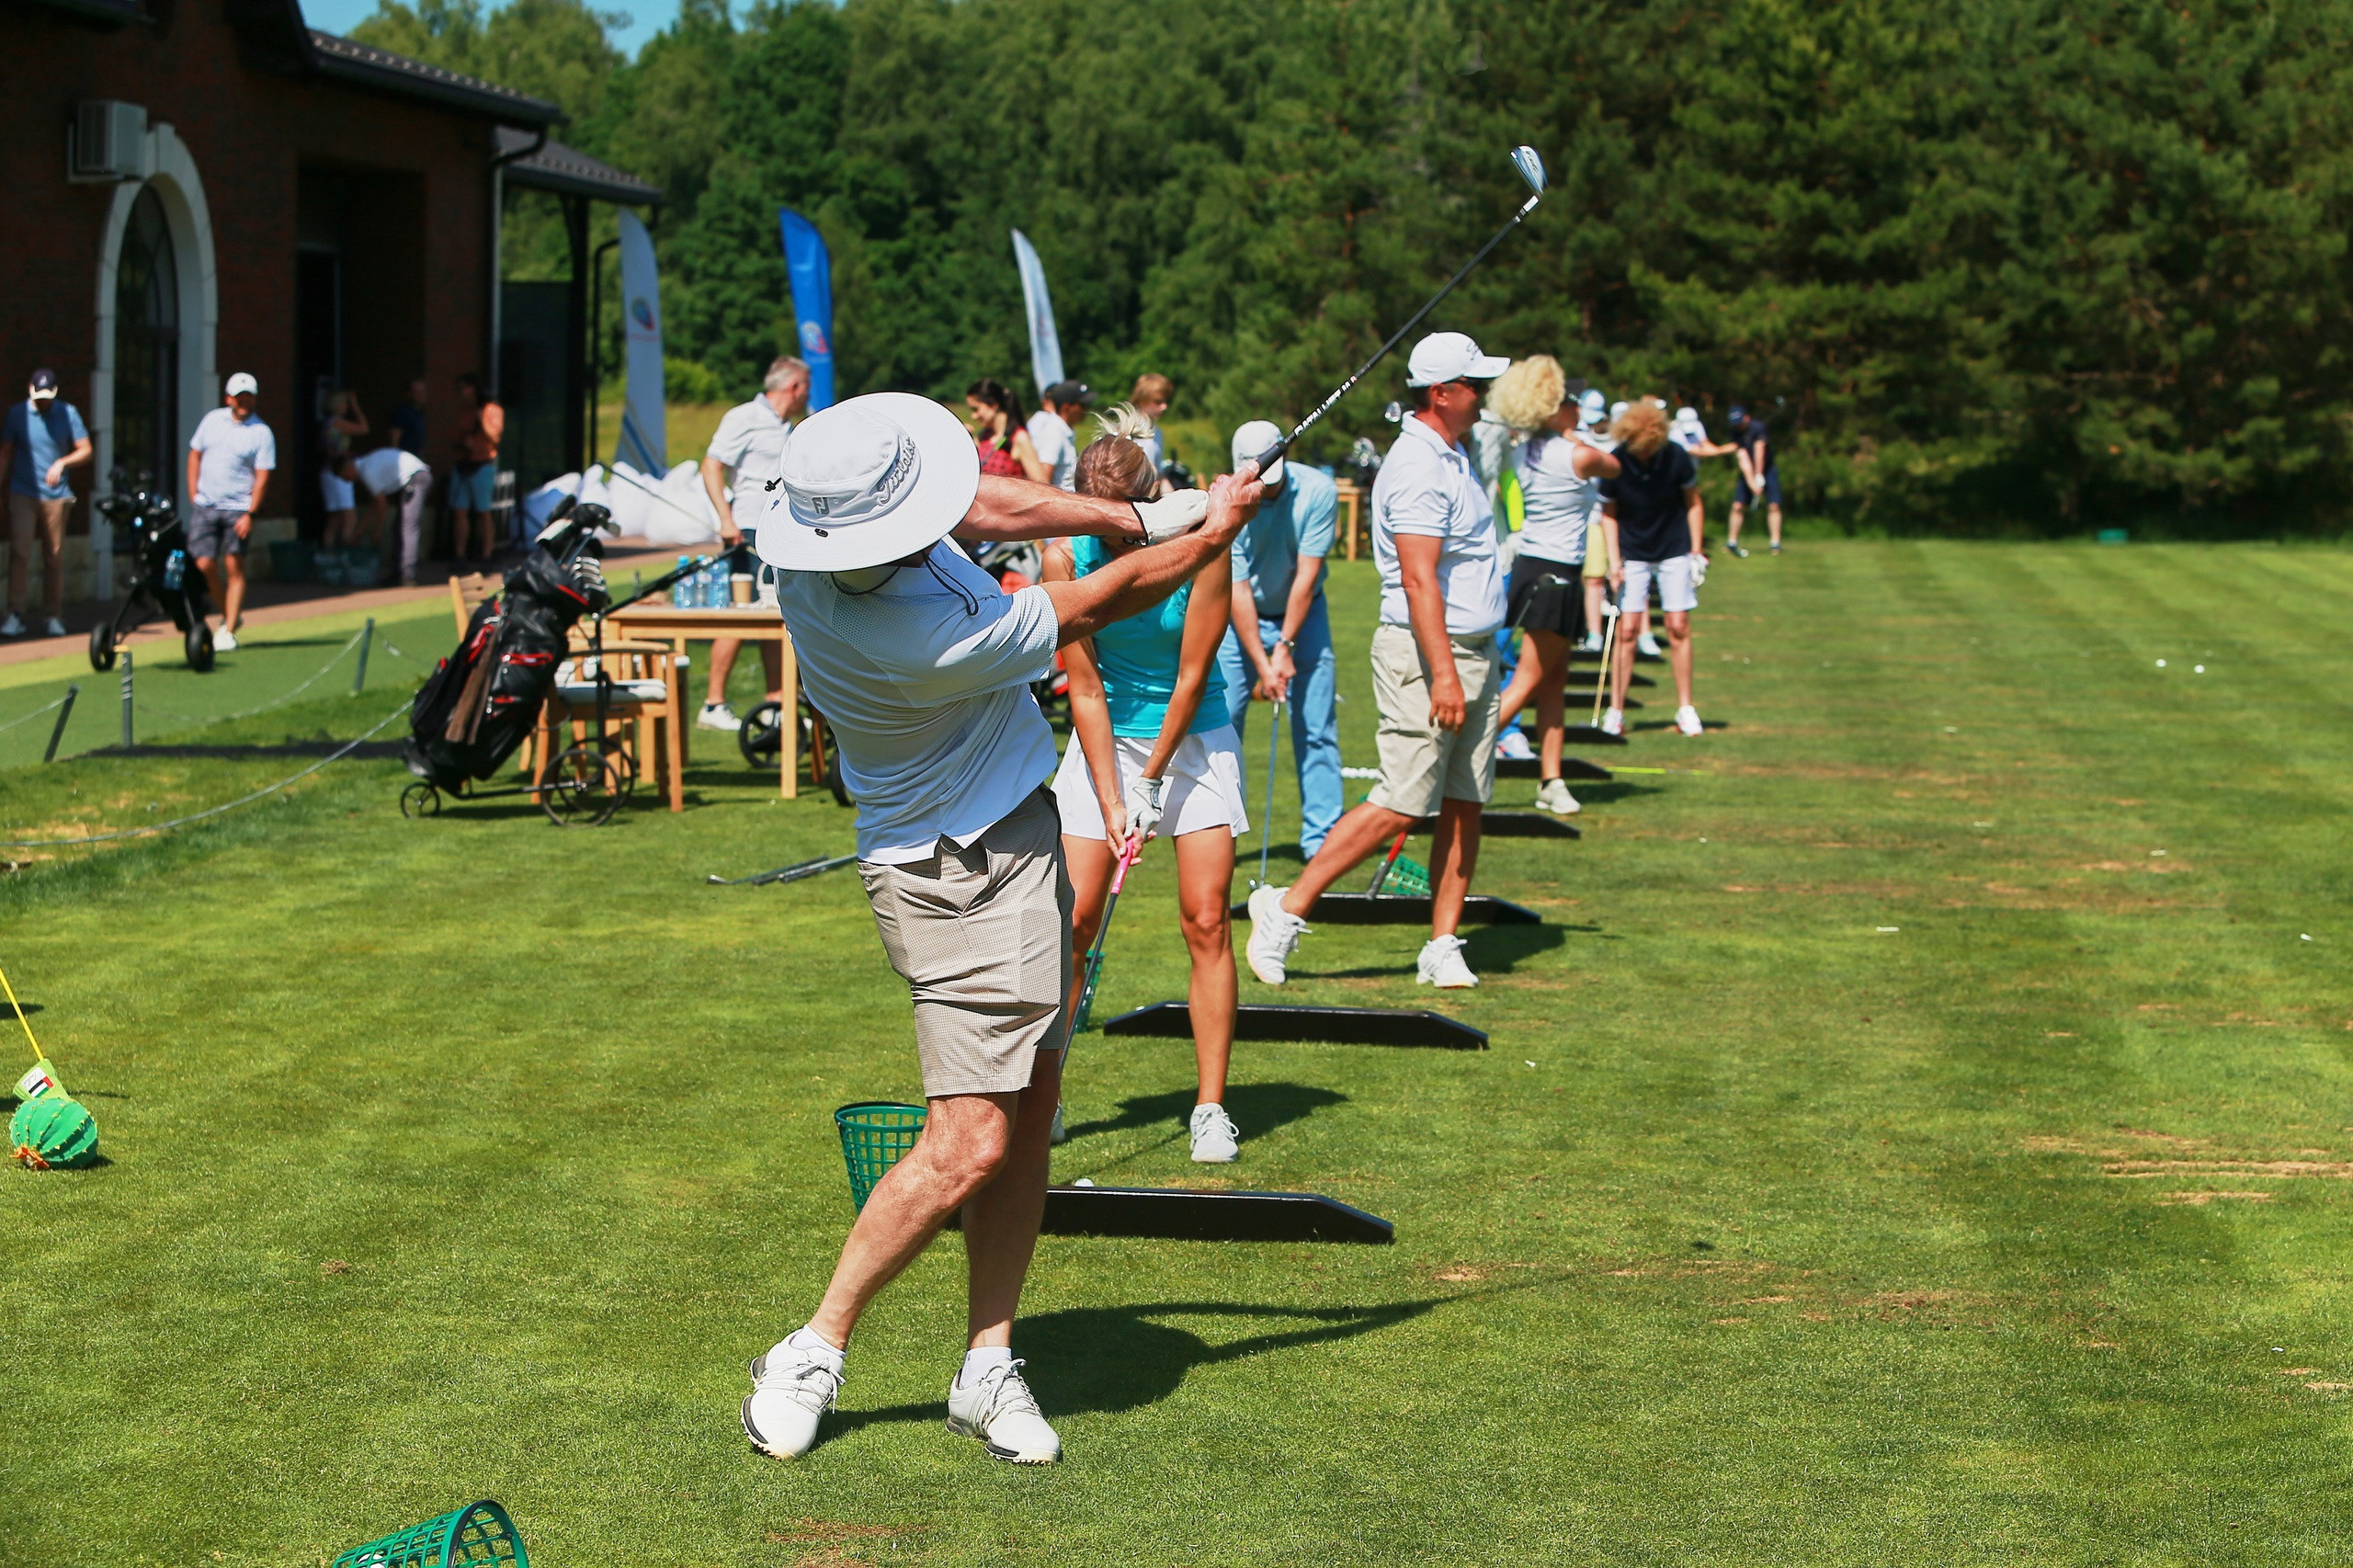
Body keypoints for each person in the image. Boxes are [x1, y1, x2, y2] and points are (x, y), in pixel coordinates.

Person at [736, 390, 1260, 1465]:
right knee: (969, 1138)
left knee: (1033, 1105)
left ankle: (988, 1364)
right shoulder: (922, 634)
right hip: (951, 873)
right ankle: (812, 1344)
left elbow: (985, 499)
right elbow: (1101, 608)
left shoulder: (843, 545)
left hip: (1018, 832)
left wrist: (1134, 513)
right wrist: (1207, 530)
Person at [1246, 331, 1510, 992]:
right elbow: (1420, 581)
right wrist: (1444, 672)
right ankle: (1284, 908)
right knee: (1402, 800)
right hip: (1430, 656)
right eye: (1474, 385)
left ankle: (1442, 944)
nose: (1483, 396)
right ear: (1442, 394)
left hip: (1475, 653)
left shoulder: (1454, 454)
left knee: (1463, 802)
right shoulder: (1420, 467)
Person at [1048, 408, 1248, 1165]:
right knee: (1072, 925)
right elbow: (1087, 688)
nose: (1127, 543)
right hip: (1103, 747)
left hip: (1192, 740)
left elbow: (1195, 675)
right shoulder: (1066, 556)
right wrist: (1111, 795)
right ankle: (1048, 1097)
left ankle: (1210, 1108)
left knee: (1206, 920)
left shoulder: (1201, 544)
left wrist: (1153, 781)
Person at [1485, 357, 1620, 816]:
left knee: (1554, 683)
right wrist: (1579, 436)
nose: (1578, 406)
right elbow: (1615, 465)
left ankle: (1551, 778)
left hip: (1536, 567)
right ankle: (1456, 759)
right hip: (1555, 573)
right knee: (1527, 680)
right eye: (1570, 400)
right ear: (1552, 408)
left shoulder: (1525, 450)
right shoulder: (1577, 453)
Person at [1217, 418, 1342, 857]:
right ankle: (1216, 835)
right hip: (1239, 621)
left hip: (1305, 616)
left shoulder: (1318, 491)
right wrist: (1263, 661)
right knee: (1223, 724)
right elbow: (1238, 588)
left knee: (1315, 726)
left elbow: (1306, 578)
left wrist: (1284, 647)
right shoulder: (1228, 500)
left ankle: (1322, 841)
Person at [695, 356, 810, 732]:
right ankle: (713, 704)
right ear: (793, 387)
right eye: (805, 388)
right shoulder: (744, 416)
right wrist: (725, 519)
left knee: (775, 615)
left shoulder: (786, 426)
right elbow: (711, 465)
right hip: (746, 529)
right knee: (740, 614)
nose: (807, 395)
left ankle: (777, 703)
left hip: (778, 533)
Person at [1598, 401, 1706, 737]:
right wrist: (1613, 560)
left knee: (1678, 625)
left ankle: (1686, 708)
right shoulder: (1616, 459)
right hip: (1632, 551)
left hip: (1673, 547)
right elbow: (1609, 513)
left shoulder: (1674, 455)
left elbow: (1693, 502)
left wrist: (1696, 551)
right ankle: (1615, 710)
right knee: (1627, 631)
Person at [186, 372, 275, 651]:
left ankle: (228, 629)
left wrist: (251, 513)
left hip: (238, 509)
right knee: (203, 564)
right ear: (229, 399)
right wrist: (193, 493)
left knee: (234, 565)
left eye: (249, 396)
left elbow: (262, 477)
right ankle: (230, 615)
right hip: (206, 504)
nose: (244, 401)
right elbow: (194, 454)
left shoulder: (262, 432)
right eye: (239, 397)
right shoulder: (212, 421)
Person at [0, 369, 91, 639]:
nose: (42, 402)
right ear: (29, 389)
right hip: (22, 492)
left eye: (47, 398)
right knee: (20, 551)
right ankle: (15, 614)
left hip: (56, 495)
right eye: (38, 397)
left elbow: (85, 449)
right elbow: (5, 452)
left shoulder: (68, 413)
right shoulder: (17, 414)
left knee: (54, 556)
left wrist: (62, 462)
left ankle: (53, 615)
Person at [354, 443, 432, 587]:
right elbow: (376, 502)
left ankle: (407, 574)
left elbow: (381, 503)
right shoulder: (366, 463)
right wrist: (361, 527)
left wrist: (376, 531)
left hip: (416, 477)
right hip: (413, 477)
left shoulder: (366, 471)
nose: (348, 481)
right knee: (398, 527)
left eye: (345, 478)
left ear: (347, 469)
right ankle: (397, 572)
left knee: (408, 526)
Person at [1574, 389, 1614, 652]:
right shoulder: (1574, 439)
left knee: (1613, 577)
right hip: (1588, 517)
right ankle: (1593, 633)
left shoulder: (1615, 441)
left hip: (1611, 517)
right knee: (1592, 578)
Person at [450, 372, 504, 563]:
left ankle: (486, 555)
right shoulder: (464, 411)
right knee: (460, 510)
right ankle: (460, 554)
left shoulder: (491, 410)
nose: (460, 393)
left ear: (472, 388)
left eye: (463, 388)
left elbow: (495, 437)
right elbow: (455, 437)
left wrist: (481, 418)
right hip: (464, 464)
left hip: (483, 465)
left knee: (483, 511)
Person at [1724, 403, 1784, 556]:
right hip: (1748, 472)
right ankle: (1731, 542)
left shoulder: (1758, 427)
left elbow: (1759, 451)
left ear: (1746, 417)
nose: (1738, 425)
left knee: (1774, 505)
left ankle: (1775, 543)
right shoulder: (1734, 432)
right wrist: (1752, 483)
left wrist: (1759, 475)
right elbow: (1743, 458)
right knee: (1737, 505)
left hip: (1768, 469)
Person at [965, 378, 1050, 484]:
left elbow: (1043, 486)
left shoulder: (1019, 438)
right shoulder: (984, 436)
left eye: (976, 409)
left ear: (993, 404)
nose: (973, 416)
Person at [318, 389, 369, 548]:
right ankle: (345, 552)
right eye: (344, 403)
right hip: (339, 473)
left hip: (328, 472)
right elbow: (364, 428)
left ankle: (328, 554)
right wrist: (355, 405)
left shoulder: (328, 422)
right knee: (349, 517)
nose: (346, 406)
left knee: (334, 519)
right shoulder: (336, 422)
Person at [1025, 381, 1093, 492]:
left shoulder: (1062, 429)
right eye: (1082, 405)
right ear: (1066, 407)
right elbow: (1042, 480)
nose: (1086, 409)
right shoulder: (1054, 431)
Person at [1129, 372, 1174, 479]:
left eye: (1165, 401)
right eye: (1158, 402)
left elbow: (1159, 475)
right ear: (1141, 400)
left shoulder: (1157, 433)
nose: (1164, 407)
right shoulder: (1126, 431)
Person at [389, 378, 428, 456]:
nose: (421, 395)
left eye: (423, 391)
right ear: (409, 393)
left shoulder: (420, 413)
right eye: (417, 392)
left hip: (415, 458)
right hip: (403, 458)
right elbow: (394, 438)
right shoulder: (402, 412)